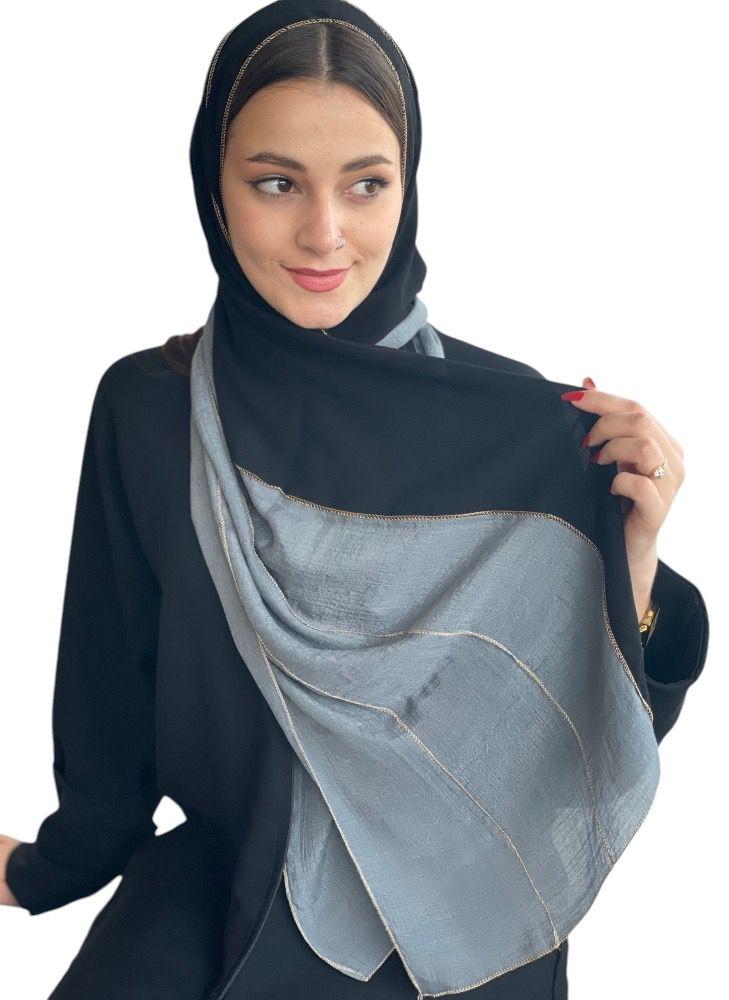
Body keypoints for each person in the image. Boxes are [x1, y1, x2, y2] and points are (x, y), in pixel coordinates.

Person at [0, 2, 709, 998]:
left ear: (407, 188)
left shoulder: (521, 429)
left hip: (450, 931)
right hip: (219, 897)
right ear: (213, 187)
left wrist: (626, 563)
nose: (324, 233)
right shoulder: (152, 409)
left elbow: (561, 762)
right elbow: (110, 695)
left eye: (366, 184)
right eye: (276, 182)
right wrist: (51, 868)